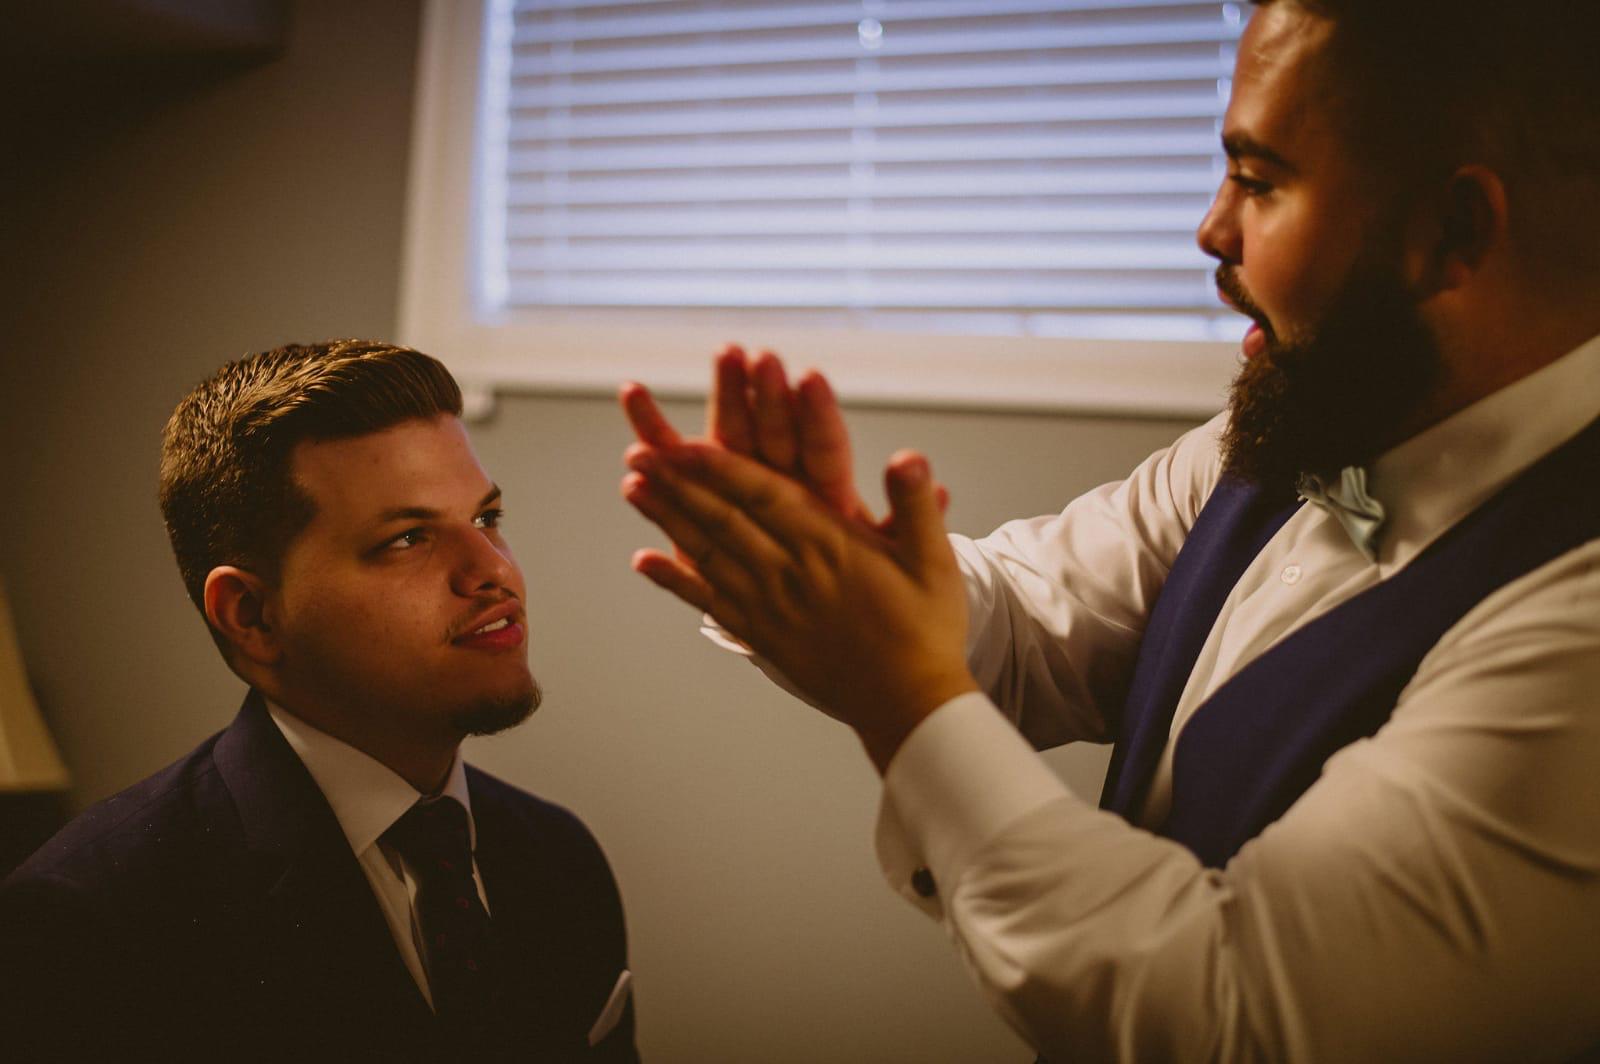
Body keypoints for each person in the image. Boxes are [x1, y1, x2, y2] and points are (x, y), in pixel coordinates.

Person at [618, 0, 1600, 1059]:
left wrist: (898, 694)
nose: (1211, 229)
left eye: (1258, 181)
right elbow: (1037, 620)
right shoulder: (1309, 422)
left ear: (1448, 232)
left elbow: (1229, 1008)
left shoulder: (1576, 626)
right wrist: (825, 574)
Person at [0, 340, 637, 1062]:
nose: (494, 571)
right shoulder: (90, 922)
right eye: (407, 538)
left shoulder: (559, 857)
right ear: (251, 616)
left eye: (487, 519)